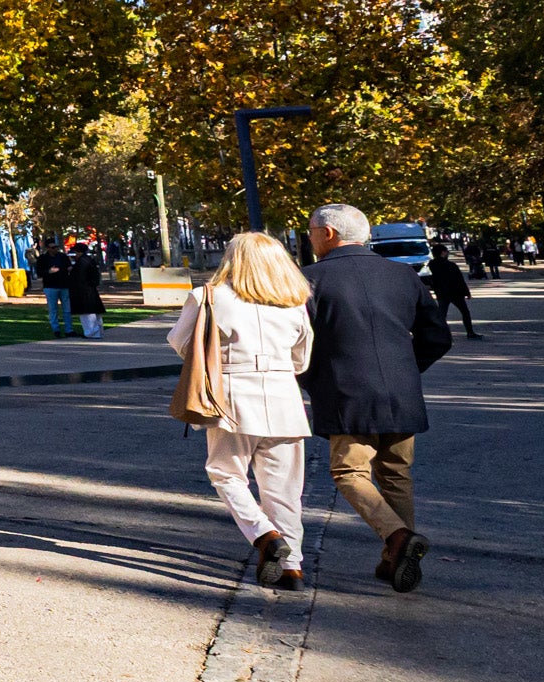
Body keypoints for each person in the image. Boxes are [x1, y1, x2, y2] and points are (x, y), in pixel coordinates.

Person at [302, 203, 450, 593]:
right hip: (402, 393)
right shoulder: (402, 275)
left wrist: (310, 378)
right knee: (396, 474)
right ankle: (395, 558)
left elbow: (297, 342)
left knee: (349, 473)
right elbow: (438, 336)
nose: (309, 238)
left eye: (311, 231)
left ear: (329, 234)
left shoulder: (309, 280)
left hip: (346, 392)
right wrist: (406, 369)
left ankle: (398, 537)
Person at [182, 232, 317, 588]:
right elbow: (301, 360)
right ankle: (293, 565)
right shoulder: (293, 302)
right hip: (283, 396)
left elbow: (182, 344)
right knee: (284, 489)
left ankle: (264, 535)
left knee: (226, 473)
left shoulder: (208, 297)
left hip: (232, 396)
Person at [425, 244, 479, 340]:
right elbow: (459, 279)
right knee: (465, 312)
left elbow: (430, 279)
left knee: (442, 314)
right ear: (443, 252)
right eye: (446, 251)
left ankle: (439, 334)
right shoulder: (451, 265)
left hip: (441, 293)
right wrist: (466, 292)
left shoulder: (432, 265)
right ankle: (470, 332)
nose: (447, 253)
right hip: (455, 292)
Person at [69, 244, 108, 339]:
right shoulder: (89, 260)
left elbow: (79, 277)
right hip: (90, 289)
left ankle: (91, 332)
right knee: (95, 313)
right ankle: (98, 331)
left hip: (83, 290)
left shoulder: (82, 262)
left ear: (78, 252)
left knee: (87, 313)